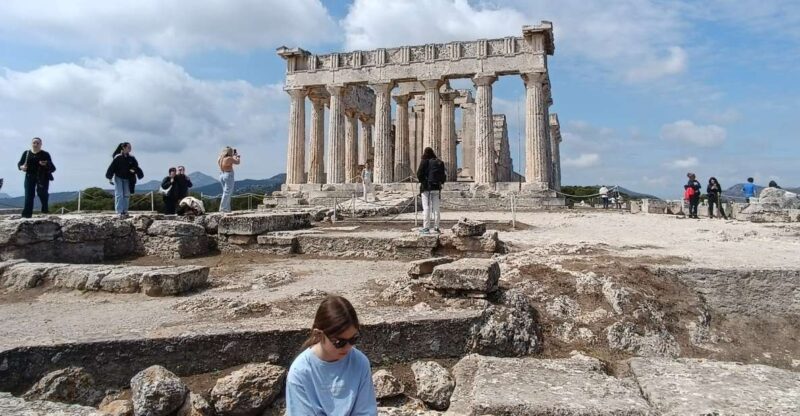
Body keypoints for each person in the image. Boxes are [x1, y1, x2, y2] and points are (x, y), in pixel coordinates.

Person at [285, 296, 377, 416]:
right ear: (318, 334)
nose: (348, 347)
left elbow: (366, 412)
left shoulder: (360, 362)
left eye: (353, 339)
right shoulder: (300, 371)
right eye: (340, 342)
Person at [17, 137, 56, 218]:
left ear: (41, 144)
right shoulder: (26, 153)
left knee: (42, 193)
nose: (36, 144)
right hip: (29, 176)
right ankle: (26, 215)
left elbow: (53, 167)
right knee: (29, 195)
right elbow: (20, 164)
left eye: (38, 143)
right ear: (31, 144)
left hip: (42, 177)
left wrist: (46, 164)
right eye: (34, 143)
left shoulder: (45, 154)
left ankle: (45, 209)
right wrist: (22, 167)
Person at [105, 142, 144, 217]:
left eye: (130, 147)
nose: (130, 148)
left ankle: (125, 211)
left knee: (126, 194)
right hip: (118, 177)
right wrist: (110, 178)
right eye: (128, 147)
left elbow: (136, 166)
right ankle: (119, 211)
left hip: (128, 178)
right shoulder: (118, 157)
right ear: (123, 148)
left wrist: (133, 169)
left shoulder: (132, 157)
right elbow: (112, 167)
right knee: (119, 194)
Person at [416, 147, 446, 234]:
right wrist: (441, 183)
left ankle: (426, 228)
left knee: (426, 208)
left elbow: (419, 173)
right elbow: (443, 176)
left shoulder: (424, 161)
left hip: (426, 188)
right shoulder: (439, 162)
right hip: (436, 187)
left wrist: (422, 181)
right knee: (436, 208)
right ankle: (436, 227)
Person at [217, 146, 240, 213]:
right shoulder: (229, 158)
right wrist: (237, 156)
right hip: (228, 175)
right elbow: (237, 162)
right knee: (227, 193)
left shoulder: (220, 158)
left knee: (226, 192)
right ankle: (223, 208)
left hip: (222, 174)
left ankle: (227, 208)